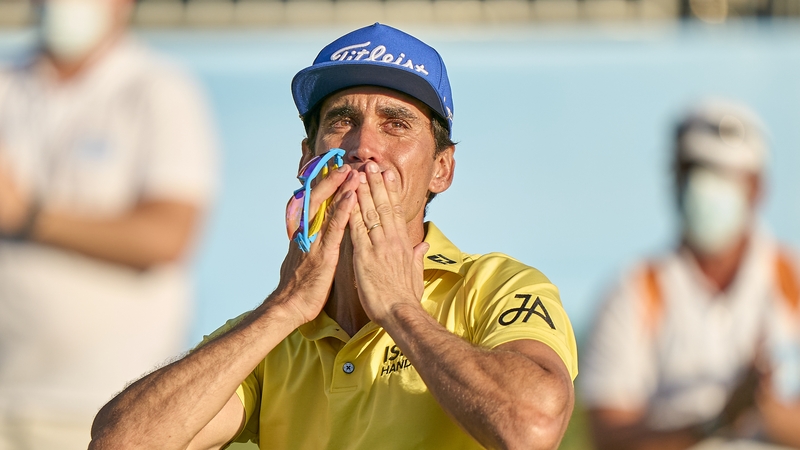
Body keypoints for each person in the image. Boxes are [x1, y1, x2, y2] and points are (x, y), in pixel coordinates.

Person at [88, 23, 578, 450]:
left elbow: (531, 429)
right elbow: (123, 442)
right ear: (308, 159)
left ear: (442, 169)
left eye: (396, 124)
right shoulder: (280, 324)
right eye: (342, 121)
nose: (364, 146)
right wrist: (283, 308)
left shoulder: (498, 285)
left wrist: (399, 310)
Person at [0, 0, 217, 448]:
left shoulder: (159, 90)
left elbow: (165, 237)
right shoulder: (6, 84)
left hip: (104, 410)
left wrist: (29, 218)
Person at [580, 101, 800, 449]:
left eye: (719, 173)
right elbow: (608, 437)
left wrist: (765, 410)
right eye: (691, 171)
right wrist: (718, 423)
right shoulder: (632, 291)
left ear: (757, 186)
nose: (701, 186)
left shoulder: (793, 281)